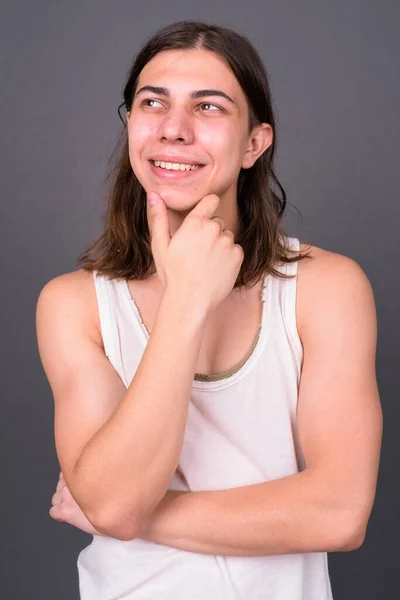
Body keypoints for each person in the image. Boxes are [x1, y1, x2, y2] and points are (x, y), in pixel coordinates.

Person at [36, 19, 382, 600]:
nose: (173, 129)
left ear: (254, 143)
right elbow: (115, 502)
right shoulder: (74, 304)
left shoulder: (327, 288)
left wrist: (135, 516)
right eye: (153, 103)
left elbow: (339, 513)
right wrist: (187, 301)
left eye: (209, 107)